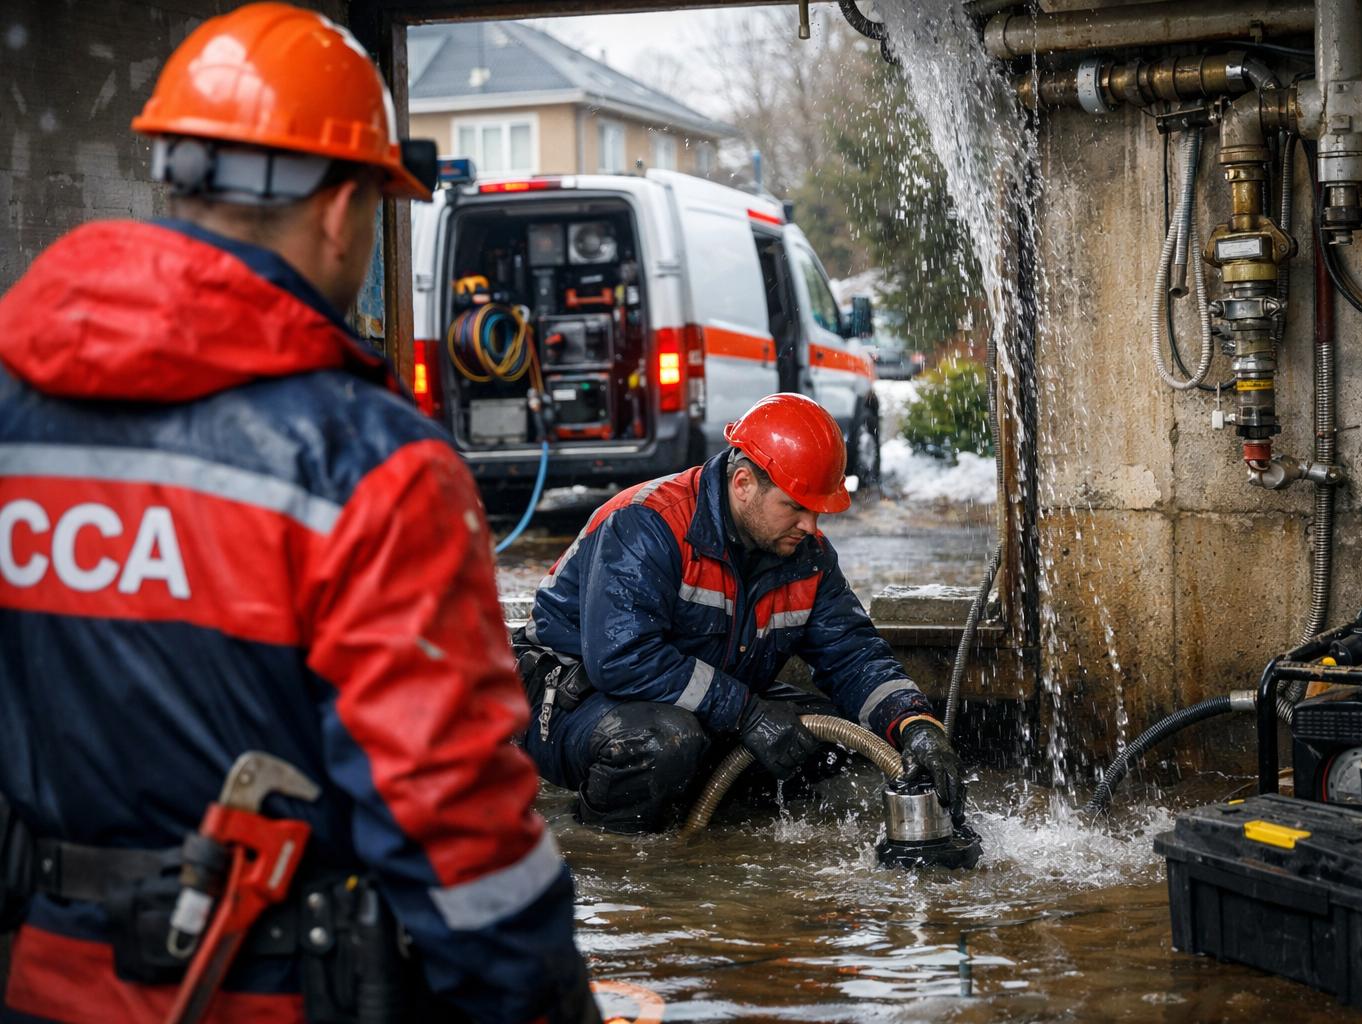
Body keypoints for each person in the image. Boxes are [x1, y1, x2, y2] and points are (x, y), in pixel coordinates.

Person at [0, 5, 595, 1022]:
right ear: (339, 213)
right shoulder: (370, 466)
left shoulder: (15, 406)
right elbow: (460, 836)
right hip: (269, 993)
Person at [516, 392, 964, 833]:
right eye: (796, 507)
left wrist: (913, 724)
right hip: (572, 706)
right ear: (744, 483)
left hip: (696, 707)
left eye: (818, 510)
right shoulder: (649, 523)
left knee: (827, 738)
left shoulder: (807, 554)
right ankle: (612, 850)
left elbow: (853, 654)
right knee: (661, 743)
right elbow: (622, 658)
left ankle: (703, 816)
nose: (811, 526)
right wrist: (746, 713)